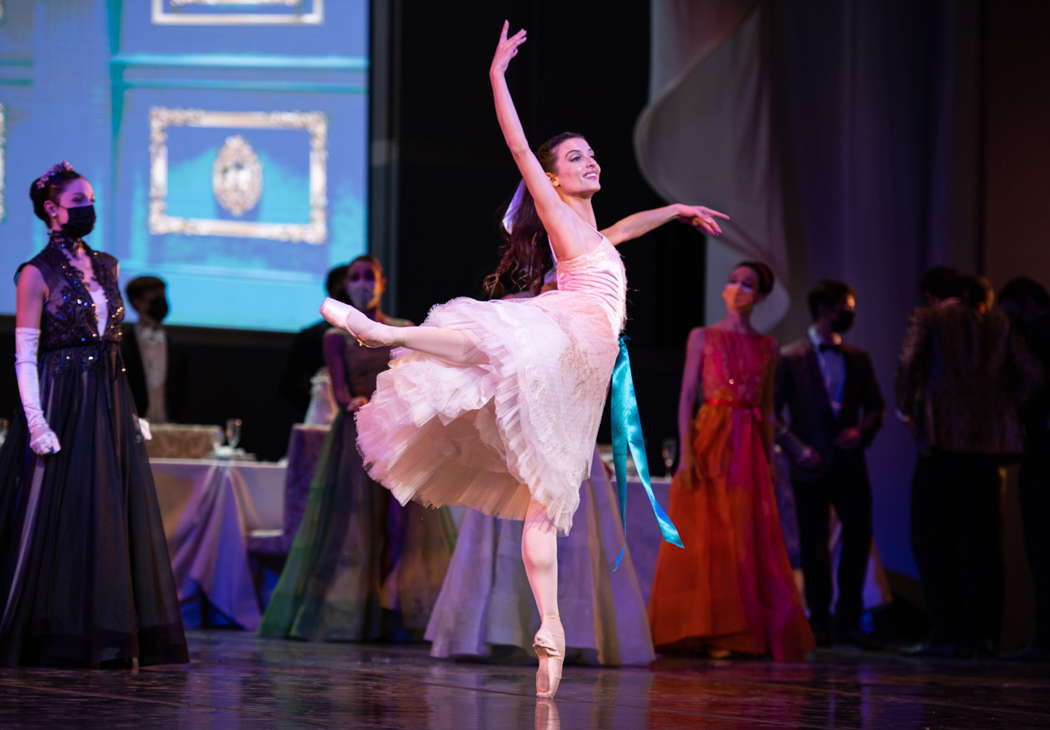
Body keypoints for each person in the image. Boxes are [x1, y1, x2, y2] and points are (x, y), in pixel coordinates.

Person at [320, 21, 727, 698]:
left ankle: (551, 629)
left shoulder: (592, 231)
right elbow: (516, 146)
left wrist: (676, 209)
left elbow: (623, 231)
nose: (590, 162)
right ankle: (385, 335)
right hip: (565, 334)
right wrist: (496, 77)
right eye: (576, 158)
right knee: (489, 340)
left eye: (592, 155)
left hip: (584, 372)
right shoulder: (558, 212)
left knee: (549, 497)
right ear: (555, 178)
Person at [0, 162, 187, 667]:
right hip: (63, 396)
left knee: (105, 511)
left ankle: (102, 632)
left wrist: (130, 409)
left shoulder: (108, 265)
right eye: (77, 200)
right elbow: (25, 354)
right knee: (53, 511)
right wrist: (36, 420)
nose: (87, 208)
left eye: (91, 200)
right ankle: (45, 631)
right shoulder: (34, 274)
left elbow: (113, 343)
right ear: (52, 209)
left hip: (106, 396)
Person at [425, 281, 654, 667]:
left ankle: (572, 633)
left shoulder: (585, 313)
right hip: (519, 437)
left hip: (568, 437)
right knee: (511, 534)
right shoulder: (516, 312)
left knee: (569, 537)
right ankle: (499, 633)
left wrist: (671, 213)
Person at [261, 255, 456, 641]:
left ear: (383, 283)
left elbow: (419, 376)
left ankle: (398, 609)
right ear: (345, 285)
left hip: (399, 433)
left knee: (404, 524)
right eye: (356, 277)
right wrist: (355, 402)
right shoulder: (336, 337)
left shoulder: (403, 328)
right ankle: (359, 611)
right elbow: (339, 390)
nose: (363, 284)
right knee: (356, 525)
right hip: (356, 437)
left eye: (370, 277)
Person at [648, 262, 814, 660]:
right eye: (734, 280)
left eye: (748, 284)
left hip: (750, 445)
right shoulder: (702, 337)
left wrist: (772, 461)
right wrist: (687, 455)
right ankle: (699, 627)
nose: (738, 288)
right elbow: (688, 397)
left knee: (743, 534)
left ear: (759, 296)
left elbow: (769, 407)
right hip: (711, 437)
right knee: (707, 531)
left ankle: (738, 630)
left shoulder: (768, 348)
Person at [897, 268, 1042, 657]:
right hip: (988, 449)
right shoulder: (1000, 324)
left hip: (940, 442)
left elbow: (909, 365)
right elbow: (1033, 375)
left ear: (930, 294)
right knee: (984, 542)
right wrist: (1004, 410)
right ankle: (983, 635)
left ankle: (942, 633)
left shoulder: (927, 318)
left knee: (933, 539)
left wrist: (905, 410)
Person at [775, 280, 884, 647]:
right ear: (824, 308)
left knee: (857, 538)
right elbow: (772, 415)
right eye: (845, 307)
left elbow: (875, 407)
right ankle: (819, 620)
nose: (849, 315)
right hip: (810, 463)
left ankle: (849, 618)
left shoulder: (858, 358)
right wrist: (796, 448)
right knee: (813, 542)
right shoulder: (790, 357)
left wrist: (860, 433)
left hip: (849, 462)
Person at [998, 277, 1050, 660]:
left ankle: (1042, 637)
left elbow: (1032, 380)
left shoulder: (1025, 336)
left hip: (1039, 450)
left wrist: (1006, 415)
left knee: (1040, 546)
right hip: (1037, 447)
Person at [278, 264, 350, 423]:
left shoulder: (372, 334)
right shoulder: (311, 336)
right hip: (322, 421)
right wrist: (317, 405)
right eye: (351, 281)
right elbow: (291, 384)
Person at [121, 275, 187, 424]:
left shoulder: (176, 346)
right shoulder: (122, 345)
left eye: (163, 297)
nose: (162, 303)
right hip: (132, 426)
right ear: (137, 303)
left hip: (168, 427)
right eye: (155, 298)